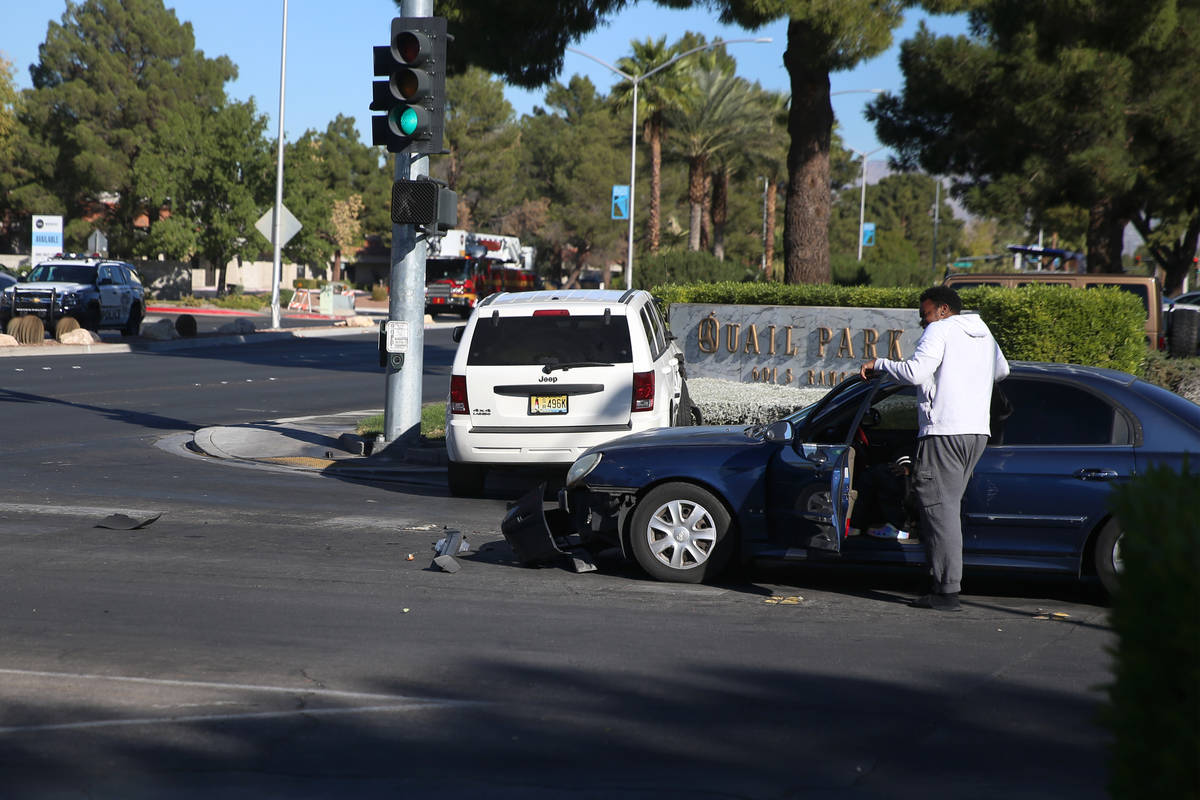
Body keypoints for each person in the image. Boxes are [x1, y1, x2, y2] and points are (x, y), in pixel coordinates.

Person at [859, 286, 1009, 612]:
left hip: (943, 431)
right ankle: (940, 580)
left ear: (942, 310)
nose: (923, 321)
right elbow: (1002, 371)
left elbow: (916, 373)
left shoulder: (940, 330)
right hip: (976, 432)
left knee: (939, 511)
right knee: (946, 508)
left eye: (925, 314)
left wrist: (880, 363)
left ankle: (946, 590)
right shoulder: (982, 331)